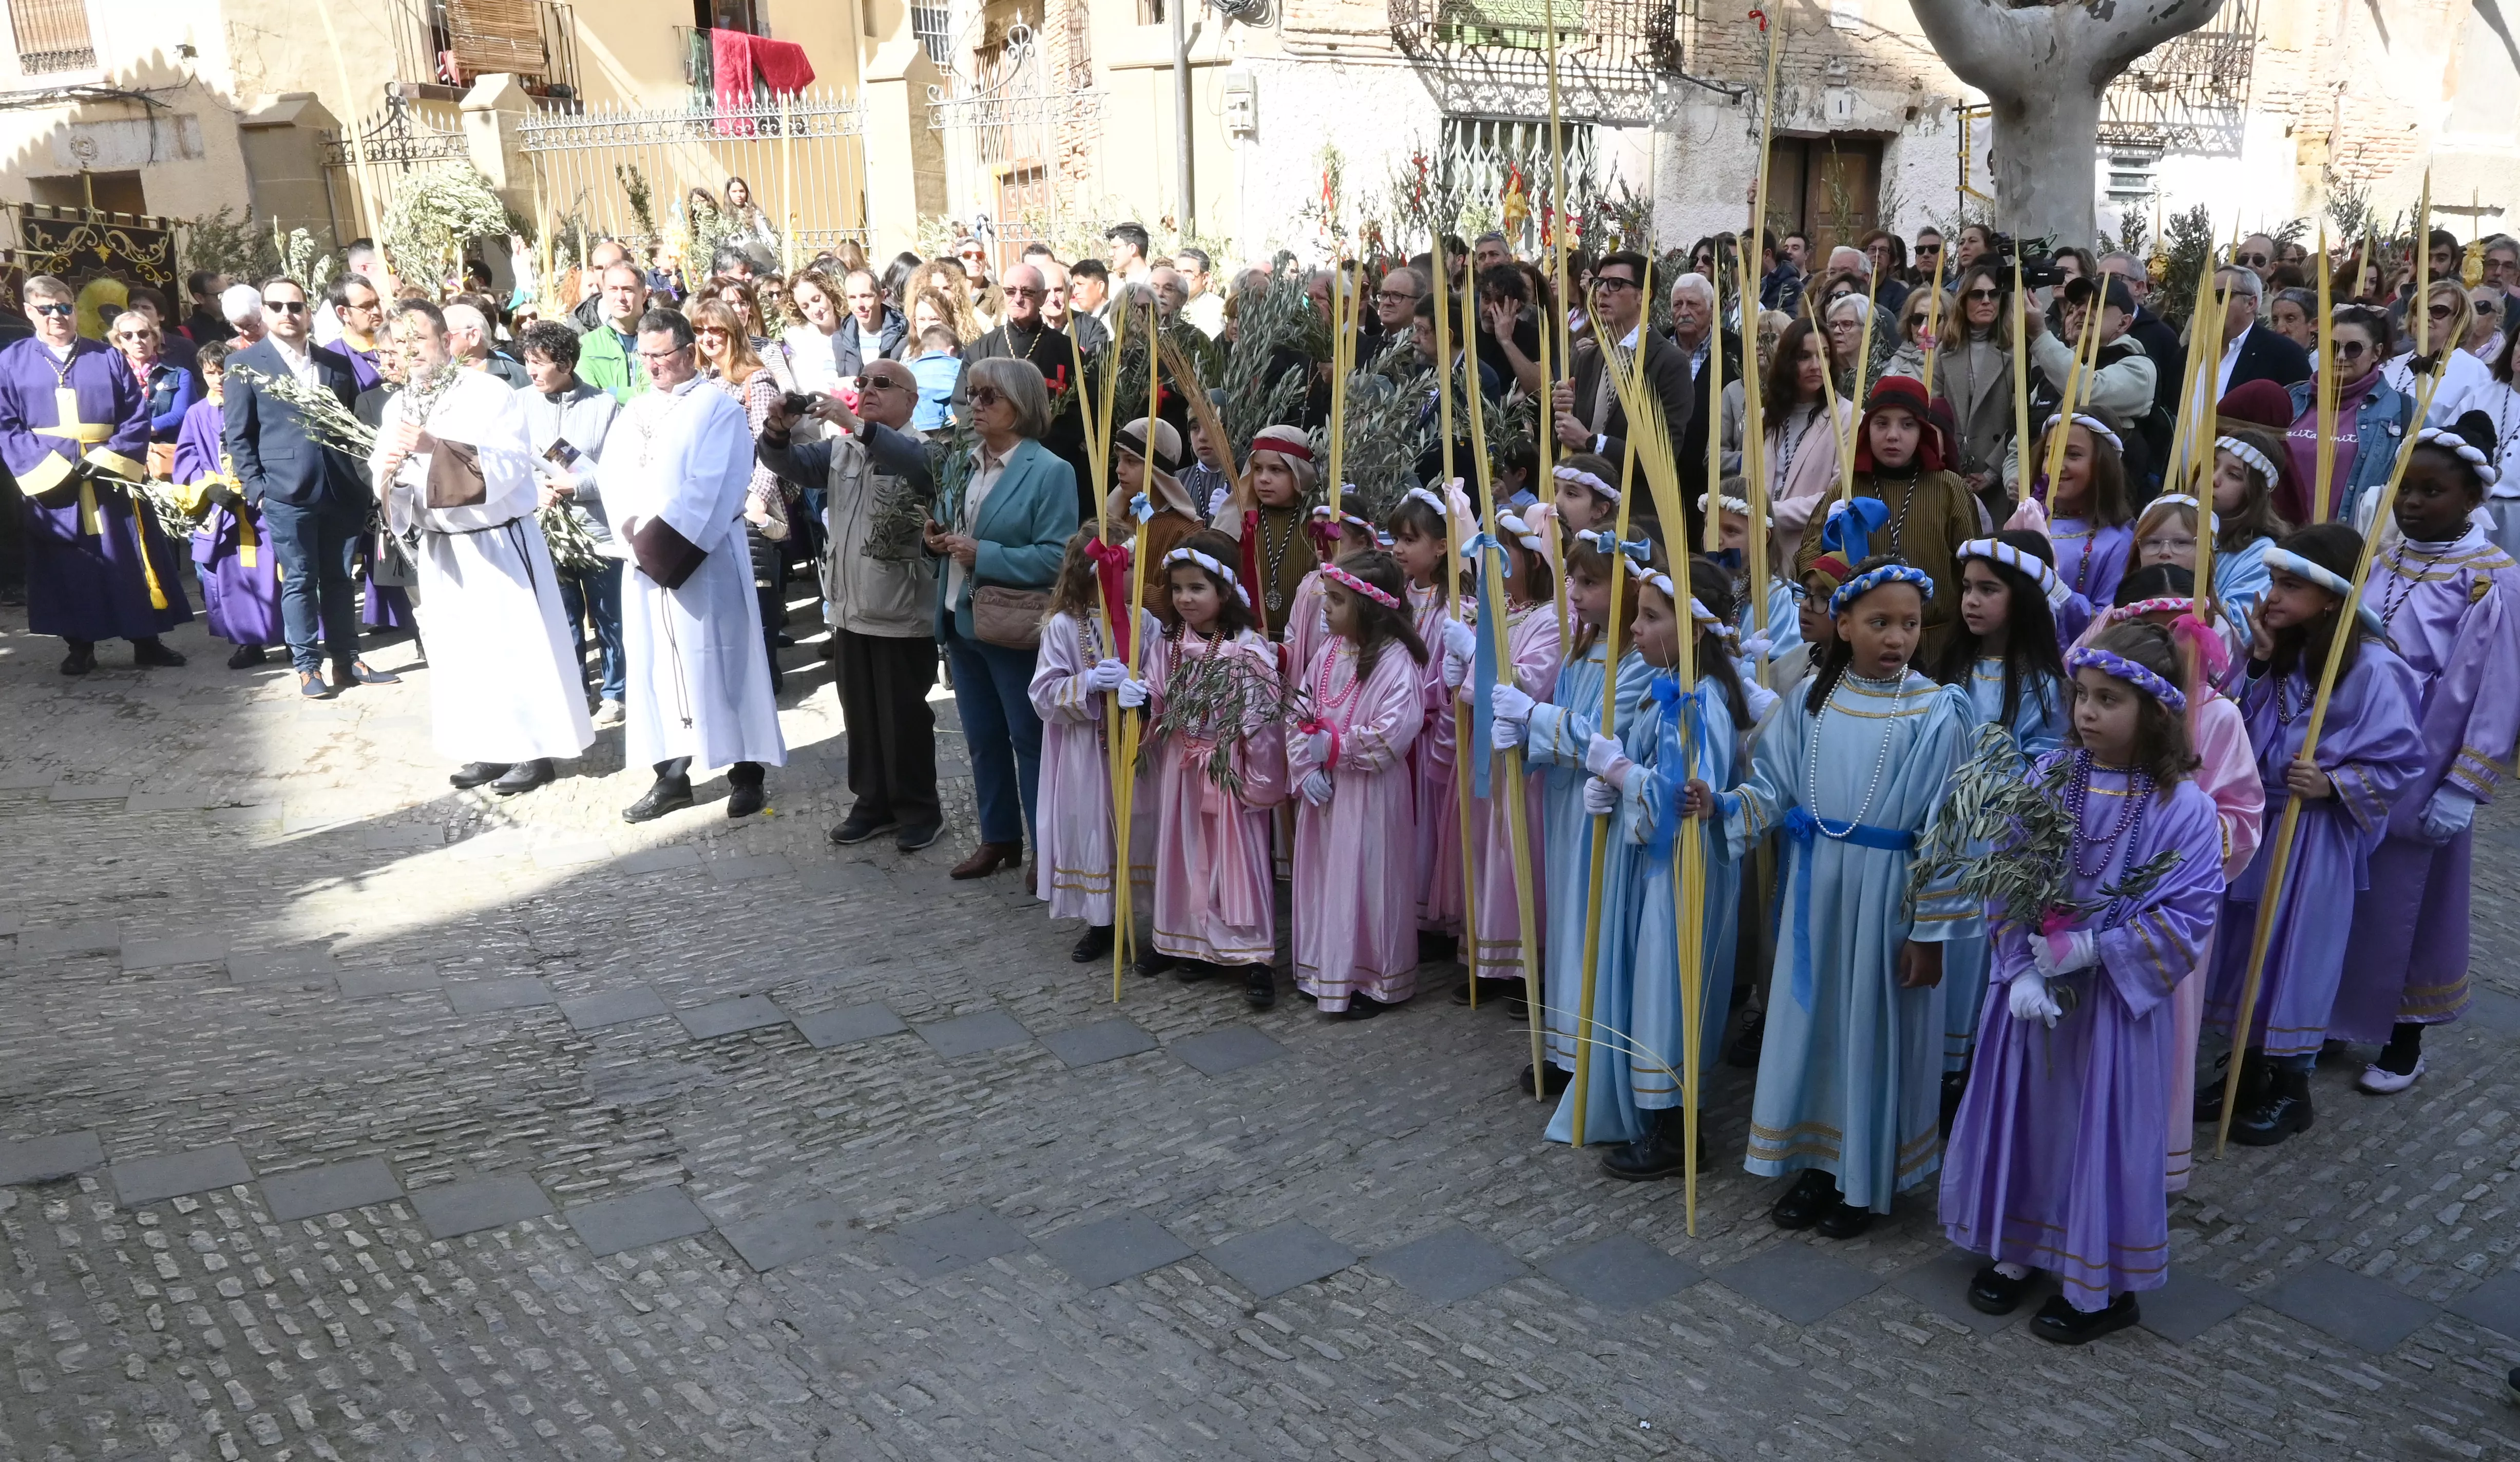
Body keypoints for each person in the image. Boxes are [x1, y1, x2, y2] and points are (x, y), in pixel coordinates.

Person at [1939, 622, 2227, 1345]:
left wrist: (2098, 947)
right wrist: (2019, 969)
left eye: (2109, 700)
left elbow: (2190, 913)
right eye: (2083, 698)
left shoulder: (2183, 809)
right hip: (2036, 998)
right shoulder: (2048, 779)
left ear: (2154, 713)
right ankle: (2021, 1245)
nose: (2088, 713)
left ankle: (2098, 1283)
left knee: (2097, 1128)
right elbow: (2003, 877)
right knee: (2031, 1118)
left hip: (2111, 1009)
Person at [1696, 559, 1981, 1236]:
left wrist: (1930, 934)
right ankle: (1818, 1164)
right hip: (1816, 893)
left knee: (1872, 1032)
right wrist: (1721, 806)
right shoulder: (1811, 704)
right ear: (1844, 625)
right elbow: (1774, 788)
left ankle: (1865, 1175)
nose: (1896, 638)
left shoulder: (1937, 711)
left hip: (1888, 901)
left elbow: (1951, 829)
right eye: (1879, 623)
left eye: (1909, 624)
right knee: (1820, 1027)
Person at [2202, 524, 2426, 1144]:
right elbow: (2236, 727)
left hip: (2316, 833)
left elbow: (2403, 759)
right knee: (2246, 949)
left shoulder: (2378, 669)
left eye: (2290, 584)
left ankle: (2290, 1085)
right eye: (2274, 580)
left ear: (2330, 598)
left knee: (2296, 952)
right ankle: (2244, 1071)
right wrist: (2260, 662)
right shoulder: (2282, 652)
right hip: (2264, 820)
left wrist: (2335, 783)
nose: (2272, 595)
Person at [2330, 415, 2520, 1094]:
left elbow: (2497, 686)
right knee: (2347, 891)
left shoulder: (2492, 579)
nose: (2410, 503)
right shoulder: (2384, 557)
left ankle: (2403, 1035)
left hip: (2426, 759)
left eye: (2431, 491)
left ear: (2470, 499)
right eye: (2405, 488)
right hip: (2361, 750)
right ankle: (2336, 1012)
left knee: (2409, 903)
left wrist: (2464, 784)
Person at [1567, 561, 1759, 1176]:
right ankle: (1658, 1117)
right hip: (1659, 872)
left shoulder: (1698, 703)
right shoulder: (1669, 690)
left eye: (1652, 617)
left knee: (1670, 994)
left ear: (1695, 631)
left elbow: (1680, 801)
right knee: (1656, 988)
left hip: (1683, 873)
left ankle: (1676, 1134)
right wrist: (1614, 785)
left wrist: (1621, 775)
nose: (1636, 629)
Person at [368, 301, 595, 796]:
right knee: (460, 653)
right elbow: (383, 477)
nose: (412, 354)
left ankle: (532, 751)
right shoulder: (398, 404)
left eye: (420, 342)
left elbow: (510, 465)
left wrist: (434, 448)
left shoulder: (489, 393)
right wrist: (388, 474)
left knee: (512, 649)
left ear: (448, 342)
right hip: (441, 546)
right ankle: (488, 747)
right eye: (402, 347)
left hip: (495, 543)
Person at [602, 307, 788, 821]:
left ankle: (747, 772)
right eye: (645, 357)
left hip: (703, 558)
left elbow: (713, 485)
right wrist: (634, 535)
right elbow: (612, 479)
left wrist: (661, 541)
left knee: (725, 659)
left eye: (661, 356)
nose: (653, 367)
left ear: (688, 353)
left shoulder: (717, 408)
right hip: (644, 560)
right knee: (659, 667)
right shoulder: (634, 411)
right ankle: (672, 776)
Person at [756, 357, 946, 854]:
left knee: (903, 715)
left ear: (912, 398)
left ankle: (919, 809)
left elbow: (920, 470)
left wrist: (855, 423)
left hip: (901, 609)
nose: (871, 389)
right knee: (860, 714)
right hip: (848, 606)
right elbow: (790, 466)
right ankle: (873, 803)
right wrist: (778, 431)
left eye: (884, 383)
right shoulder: (843, 448)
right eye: (864, 383)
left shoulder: (928, 450)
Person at [1503, 529, 1649, 1095]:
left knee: (1590, 928)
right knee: (1564, 923)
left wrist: (1536, 718)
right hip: (1565, 807)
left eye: (1591, 582)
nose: (1576, 592)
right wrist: (1519, 734)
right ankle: (1564, 1045)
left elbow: (1604, 737)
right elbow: (1562, 722)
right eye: (1572, 580)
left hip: (1602, 812)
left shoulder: (1636, 662)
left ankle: (1590, 1053)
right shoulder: (1579, 648)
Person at [1113, 532, 1287, 1005]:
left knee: (1236, 861)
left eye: (1197, 589)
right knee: (1183, 854)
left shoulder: (1247, 651)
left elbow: (1263, 722)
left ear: (1225, 592)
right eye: (1177, 589)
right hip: (1180, 769)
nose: (1184, 599)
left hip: (1227, 769)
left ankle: (1251, 956)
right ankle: (1184, 943)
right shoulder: (1169, 645)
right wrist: (1143, 700)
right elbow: (1160, 694)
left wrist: (1258, 782)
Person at [926, 356, 1079, 877]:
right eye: (972, 394)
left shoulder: (1051, 471)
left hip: (1014, 628)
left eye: (990, 396)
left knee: (1029, 741)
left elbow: (1058, 557)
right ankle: (999, 838)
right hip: (960, 620)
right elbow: (957, 531)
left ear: (1021, 404)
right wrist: (938, 540)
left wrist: (982, 554)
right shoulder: (962, 462)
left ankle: (1045, 848)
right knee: (981, 740)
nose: (977, 405)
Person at [1, 274, 193, 680]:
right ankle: (80, 646)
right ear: (30, 312)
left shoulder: (106, 357)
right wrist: (50, 469)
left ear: (74, 309)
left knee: (129, 556)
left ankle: (146, 641)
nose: (58, 316)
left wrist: (108, 457)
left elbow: (135, 416)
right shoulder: (10, 361)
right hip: (52, 485)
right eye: (47, 309)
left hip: (110, 480)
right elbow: (7, 425)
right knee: (68, 563)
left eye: (65, 307)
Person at [1932, 532, 2070, 1080]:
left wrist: (1987, 772)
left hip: (1994, 845)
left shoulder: (2043, 685)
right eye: (1966, 588)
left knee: (1977, 955)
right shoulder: (1951, 667)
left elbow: (2047, 766)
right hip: (1943, 838)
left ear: (2024, 597)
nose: (1970, 600)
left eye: (1988, 589)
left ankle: (1967, 1067)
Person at [1282, 544, 1433, 1015]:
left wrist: (1339, 749)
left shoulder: (1395, 663)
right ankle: (1325, 966)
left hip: (1369, 798)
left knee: (1368, 879)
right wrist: (1305, 768)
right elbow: (1298, 713)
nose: (1324, 608)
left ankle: (1371, 978)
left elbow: (1395, 733)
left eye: (1335, 600)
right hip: (1326, 795)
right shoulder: (1327, 652)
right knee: (1326, 878)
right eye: (1326, 596)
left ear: (1366, 606)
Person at [222, 277, 391, 698]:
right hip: (285, 492)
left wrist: (364, 482)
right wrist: (257, 488)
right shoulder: (245, 364)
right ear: (264, 312)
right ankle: (306, 665)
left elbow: (352, 428)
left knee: (338, 578)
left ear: (308, 311)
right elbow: (238, 435)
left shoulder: (332, 362)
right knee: (299, 579)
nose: (287, 314)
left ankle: (347, 659)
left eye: (295, 306)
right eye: (276, 307)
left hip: (340, 489)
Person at [1028, 525, 1161, 963]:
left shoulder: (1143, 620)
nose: (1137, 577)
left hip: (1137, 748)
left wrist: (1142, 691)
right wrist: (1087, 683)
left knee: (1139, 829)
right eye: (1128, 568)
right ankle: (1102, 922)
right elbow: (1043, 694)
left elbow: (1162, 676)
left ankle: (1151, 922)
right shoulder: (1064, 627)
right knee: (1095, 832)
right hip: (1086, 754)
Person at [1455, 510, 1562, 1005]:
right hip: (1483, 755)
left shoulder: (1551, 619)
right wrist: (1456, 657)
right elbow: (1457, 689)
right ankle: (1490, 958)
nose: (1489, 562)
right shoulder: (1487, 611)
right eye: (1484, 553)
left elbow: (1524, 682)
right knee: (1485, 852)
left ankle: (1529, 966)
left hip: (1521, 756)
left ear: (1533, 561)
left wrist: (1474, 657)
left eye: (1503, 553)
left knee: (1520, 853)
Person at [1793, 375, 1977, 663]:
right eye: (1882, 424)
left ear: (1922, 432)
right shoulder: (1848, 489)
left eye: (1907, 424)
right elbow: (1808, 555)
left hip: (1937, 646)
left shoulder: (1949, 488)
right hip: (1863, 645)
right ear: (1868, 429)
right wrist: (1835, 552)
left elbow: (1971, 564)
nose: (1893, 435)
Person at [518, 320, 625, 725]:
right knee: (562, 619)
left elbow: (621, 470)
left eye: (539, 363)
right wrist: (533, 490)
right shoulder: (519, 405)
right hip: (545, 530)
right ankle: (575, 690)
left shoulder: (604, 407)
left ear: (565, 364)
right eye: (528, 361)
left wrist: (576, 486)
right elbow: (507, 465)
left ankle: (617, 691)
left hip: (597, 532)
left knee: (610, 616)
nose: (531, 371)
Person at [691, 296, 799, 692]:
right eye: (699, 331)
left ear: (733, 332)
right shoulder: (703, 383)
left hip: (751, 504)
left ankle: (766, 678)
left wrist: (757, 497)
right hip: (716, 506)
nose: (707, 338)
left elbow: (768, 448)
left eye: (715, 330)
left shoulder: (757, 380)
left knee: (760, 595)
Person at [167, 339, 281, 667]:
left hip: (261, 503)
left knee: (276, 571)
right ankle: (249, 642)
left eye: (224, 372)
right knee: (235, 577)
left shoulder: (257, 402)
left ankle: (291, 635)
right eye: (211, 373)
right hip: (224, 510)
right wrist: (210, 489)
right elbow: (186, 461)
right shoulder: (197, 414)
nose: (219, 379)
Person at [1555, 251, 1694, 516]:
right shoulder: (1588, 358)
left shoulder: (1669, 363)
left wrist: (1590, 441)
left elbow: (1662, 456)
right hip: (1582, 515)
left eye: (1616, 284)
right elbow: (1568, 440)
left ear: (1644, 295)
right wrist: (1562, 415)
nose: (1603, 292)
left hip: (1634, 515)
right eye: (1599, 283)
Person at [960, 262, 1092, 516]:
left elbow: (1085, 410)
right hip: (992, 463)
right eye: (1010, 291)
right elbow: (965, 406)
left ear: (1042, 297)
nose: (1018, 298)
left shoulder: (1068, 350)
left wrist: (1033, 447)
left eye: (1027, 292)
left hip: (1051, 462)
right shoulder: (982, 349)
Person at [2281, 305, 2414, 526]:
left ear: (2377, 352)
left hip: (2347, 547)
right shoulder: (2290, 398)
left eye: (2354, 349)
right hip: (2278, 544)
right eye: (2333, 347)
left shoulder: (2402, 411)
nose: (2341, 357)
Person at [2033, 413, 2136, 608]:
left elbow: (2108, 618)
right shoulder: (2029, 521)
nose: (2056, 466)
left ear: (2102, 465)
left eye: (2073, 455)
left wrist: (2059, 595)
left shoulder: (2116, 542)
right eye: (2050, 453)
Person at [2382, 279, 2492, 428]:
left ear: (2459, 320)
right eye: (2418, 309)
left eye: (2438, 311)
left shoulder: (2475, 372)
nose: (2425, 317)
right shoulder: (2389, 366)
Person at [2210, 265, 2313, 395]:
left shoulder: (2284, 355)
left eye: (2221, 296)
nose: (2211, 304)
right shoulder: (2190, 353)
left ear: (2250, 304)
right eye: (2205, 298)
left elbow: (2302, 409)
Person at [113, 309, 195, 448]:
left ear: (154, 337)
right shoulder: (112, 376)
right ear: (119, 341)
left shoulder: (180, 374)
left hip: (165, 452)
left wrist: (137, 431)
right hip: (124, 451)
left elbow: (180, 415)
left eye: (143, 334)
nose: (137, 340)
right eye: (128, 336)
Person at [576, 263, 650, 402]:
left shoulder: (661, 341)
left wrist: (610, 392)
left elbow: (659, 395)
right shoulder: (588, 345)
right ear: (604, 294)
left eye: (628, 290)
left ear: (644, 295)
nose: (620, 297)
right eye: (613, 290)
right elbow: (588, 397)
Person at [834, 267, 907, 379]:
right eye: (852, 298)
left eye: (866, 296)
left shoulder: (904, 336)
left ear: (882, 296)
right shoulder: (838, 341)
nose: (859, 304)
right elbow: (830, 386)